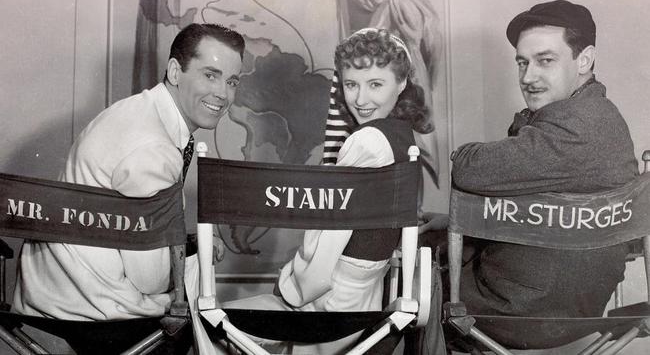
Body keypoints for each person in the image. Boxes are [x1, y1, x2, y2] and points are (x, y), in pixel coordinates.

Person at [212, 28, 432, 354]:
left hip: (328, 307)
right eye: (351, 84)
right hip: (364, 298)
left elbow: (328, 240)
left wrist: (291, 288)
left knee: (213, 326)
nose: (360, 99)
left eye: (375, 84)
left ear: (401, 83)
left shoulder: (367, 141)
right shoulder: (402, 135)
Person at [438, 0, 638, 349]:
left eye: (545, 60)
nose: (528, 77)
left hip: (519, 311)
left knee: (401, 285)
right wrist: (449, 222)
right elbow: (538, 211)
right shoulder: (601, 118)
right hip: (571, 308)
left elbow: (468, 168)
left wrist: (462, 156)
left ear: (584, 59)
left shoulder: (575, 129)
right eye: (522, 63)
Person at [13, 23, 244, 321]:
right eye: (210, 75)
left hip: (53, 289)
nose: (223, 94)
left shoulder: (137, 110)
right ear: (175, 72)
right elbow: (149, 280)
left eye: (233, 82)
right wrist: (193, 252)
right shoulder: (154, 148)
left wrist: (184, 242)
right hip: (93, 310)